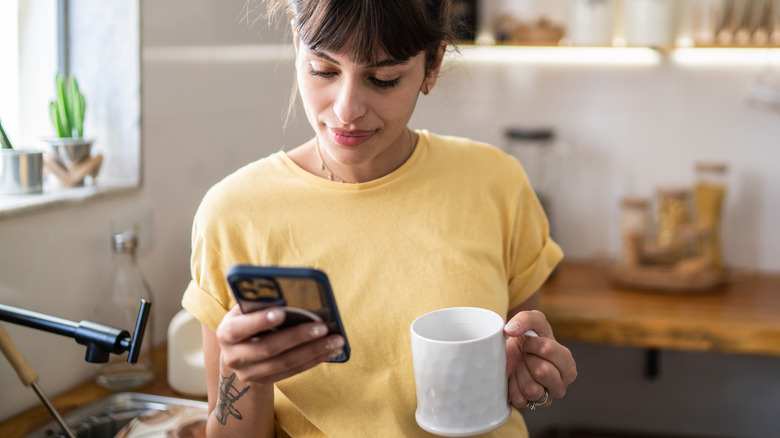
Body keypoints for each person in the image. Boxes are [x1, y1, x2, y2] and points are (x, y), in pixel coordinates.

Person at [181, 0, 577, 436]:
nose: (347, 109)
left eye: (383, 79)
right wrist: (245, 379)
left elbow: (519, 360)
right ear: (297, 43)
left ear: (433, 65)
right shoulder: (233, 212)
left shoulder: (496, 182)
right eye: (323, 70)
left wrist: (532, 378)